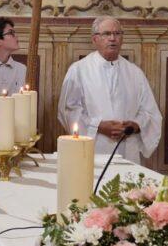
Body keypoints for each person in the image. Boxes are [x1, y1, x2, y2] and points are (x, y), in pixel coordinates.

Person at [57, 16, 161, 163]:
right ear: (95, 39)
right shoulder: (79, 70)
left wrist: (136, 125)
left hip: (127, 149)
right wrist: (98, 126)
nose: (113, 38)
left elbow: (150, 112)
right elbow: (68, 110)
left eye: (117, 33)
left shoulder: (134, 73)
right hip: (93, 149)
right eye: (106, 34)